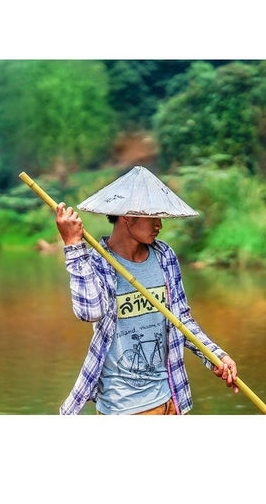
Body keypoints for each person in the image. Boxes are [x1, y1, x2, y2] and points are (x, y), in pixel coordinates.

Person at [55, 166, 238, 415]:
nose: (159, 225)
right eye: (153, 217)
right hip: (123, 406)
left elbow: (181, 320)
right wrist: (73, 245)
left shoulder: (164, 256)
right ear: (128, 217)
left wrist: (216, 356)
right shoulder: (97, 262)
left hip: (171, 400)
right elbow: (90, 312)